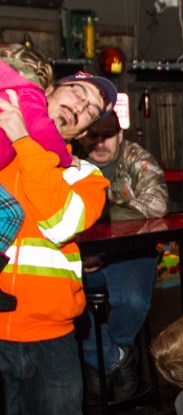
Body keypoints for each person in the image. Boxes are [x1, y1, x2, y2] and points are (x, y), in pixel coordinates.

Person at [0, 70, 116, 415]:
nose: (81, 108)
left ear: (84, 133)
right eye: (78, 93)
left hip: (52, 340)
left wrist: (27, 142)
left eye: (90, 112)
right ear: (46, 91)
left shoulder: (85, 176)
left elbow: (60, 223)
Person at [76, 110, 169, 402]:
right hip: (78, 256)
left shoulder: (136, 159)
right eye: (93, 136)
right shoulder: (69, 162)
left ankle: (98, 361)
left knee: (131, 300)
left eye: (107, 136)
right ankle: (116, 358)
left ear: (120, 136)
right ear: (82, 137)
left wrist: (101, 220)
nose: (100, 143)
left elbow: (157, 203)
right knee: (66, 301)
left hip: (129, 252)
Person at [0, 43, 75, 311]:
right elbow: (43, 129)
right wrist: (66, 159)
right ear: (46, 88)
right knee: (10, 214)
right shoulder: (27, 92)